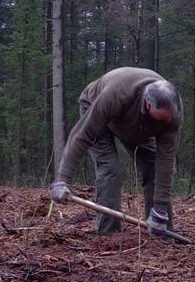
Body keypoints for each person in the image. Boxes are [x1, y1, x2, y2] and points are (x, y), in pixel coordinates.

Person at [48, 67, 183, 236]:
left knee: (153, 168)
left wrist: (160, 210)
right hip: (97, 110)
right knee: (110, 170)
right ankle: (109, 234)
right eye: (163, 119)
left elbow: (166, 160)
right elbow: (82, 136)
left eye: (169, 119)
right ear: (149, 105)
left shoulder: (172, 114)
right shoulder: (117, 95)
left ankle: (161, 229)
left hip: (136, 124)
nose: (167, 122)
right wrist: (62, 180)